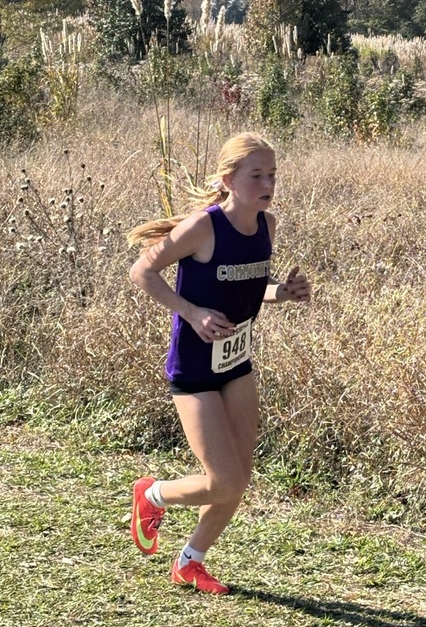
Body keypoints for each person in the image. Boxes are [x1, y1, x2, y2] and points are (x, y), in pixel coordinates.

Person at [127, 132, 310, 594]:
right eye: (256, 175)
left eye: (272, 174)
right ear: (228, 180)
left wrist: (281, 294)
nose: (267, 183)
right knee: (224, 480)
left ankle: (190, 561)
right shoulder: (202, 227)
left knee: (238, 478)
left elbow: (250, 285)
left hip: (236, 361)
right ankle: (152, 494)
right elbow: (142, 272)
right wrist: (191, 311)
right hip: (194, 369)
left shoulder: (266, 227)